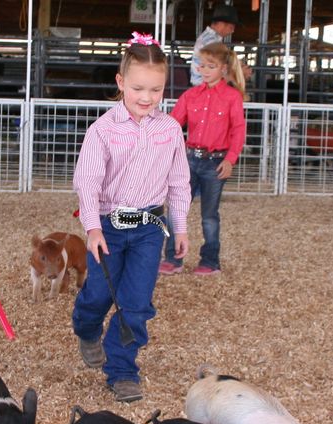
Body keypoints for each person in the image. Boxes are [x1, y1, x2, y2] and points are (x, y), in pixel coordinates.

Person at [72, 32, 191, 403]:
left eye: (156, 90)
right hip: (108, 225)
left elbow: (179, 181)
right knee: (97, 295)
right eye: (139, 87)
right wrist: (91, 228)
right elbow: (87, 182)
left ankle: (122, 369)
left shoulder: (170, 129)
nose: (146, 97)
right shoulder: (102, 131)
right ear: (121, 83)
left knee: (136, 302)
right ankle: (86, 327)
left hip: (150, 228)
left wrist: (181, 226)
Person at [159, 42, 246, 276]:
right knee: (177, 208)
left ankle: (210, 261)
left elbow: (238, 130)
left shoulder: (232, 97)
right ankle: (173, 259)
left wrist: (230, 159)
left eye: (211, 66)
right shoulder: (190, 95)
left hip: (216, 162)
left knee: (209, 215)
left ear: (224, 69)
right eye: (201, 65)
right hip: (189, 159)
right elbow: (174, 123)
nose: (204, 70)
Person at [190, 3, 240, 87]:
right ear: (221, 24)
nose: (232, 31)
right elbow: (216, 66)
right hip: (207, 84)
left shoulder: (209, 38)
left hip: (203, 83)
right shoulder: (212, 41)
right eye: (231, 27)